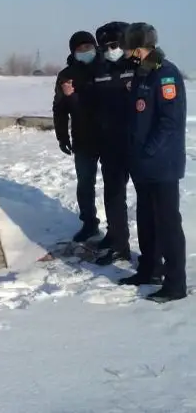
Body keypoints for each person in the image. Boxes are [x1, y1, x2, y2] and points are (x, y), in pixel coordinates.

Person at [119, 22, 187, 303]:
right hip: (143, 164)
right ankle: (150, 269)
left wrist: (148, 150)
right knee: (146, 219)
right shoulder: (141, 73)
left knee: (168, 222)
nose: (125, 54)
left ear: (140, 49)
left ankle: (175, 284)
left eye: (128, 49)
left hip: (162, 163)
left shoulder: (166, 74)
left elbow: (170, 122)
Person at [53, 30, 112, 244]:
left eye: (88, 47)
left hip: (108, 138)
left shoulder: (107, 68)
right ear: (73, 51)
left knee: (113, 185)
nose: (85, 51)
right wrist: (62, 136)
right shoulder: (66, 75)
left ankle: (115, 228)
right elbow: (59, 109)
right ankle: (89, 223)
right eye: (80, 49)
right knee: (85, 183)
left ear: (95, 47)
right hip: (82, 138)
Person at [90, 21, 137, 265]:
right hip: (109, 143)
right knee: (113, 194)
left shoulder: (138, 65)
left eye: (115, 45)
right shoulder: (99, 68)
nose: (111, 49)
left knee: (145, 199)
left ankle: (149, 252)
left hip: (136, 142)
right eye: (106, 46)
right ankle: (118, 241)